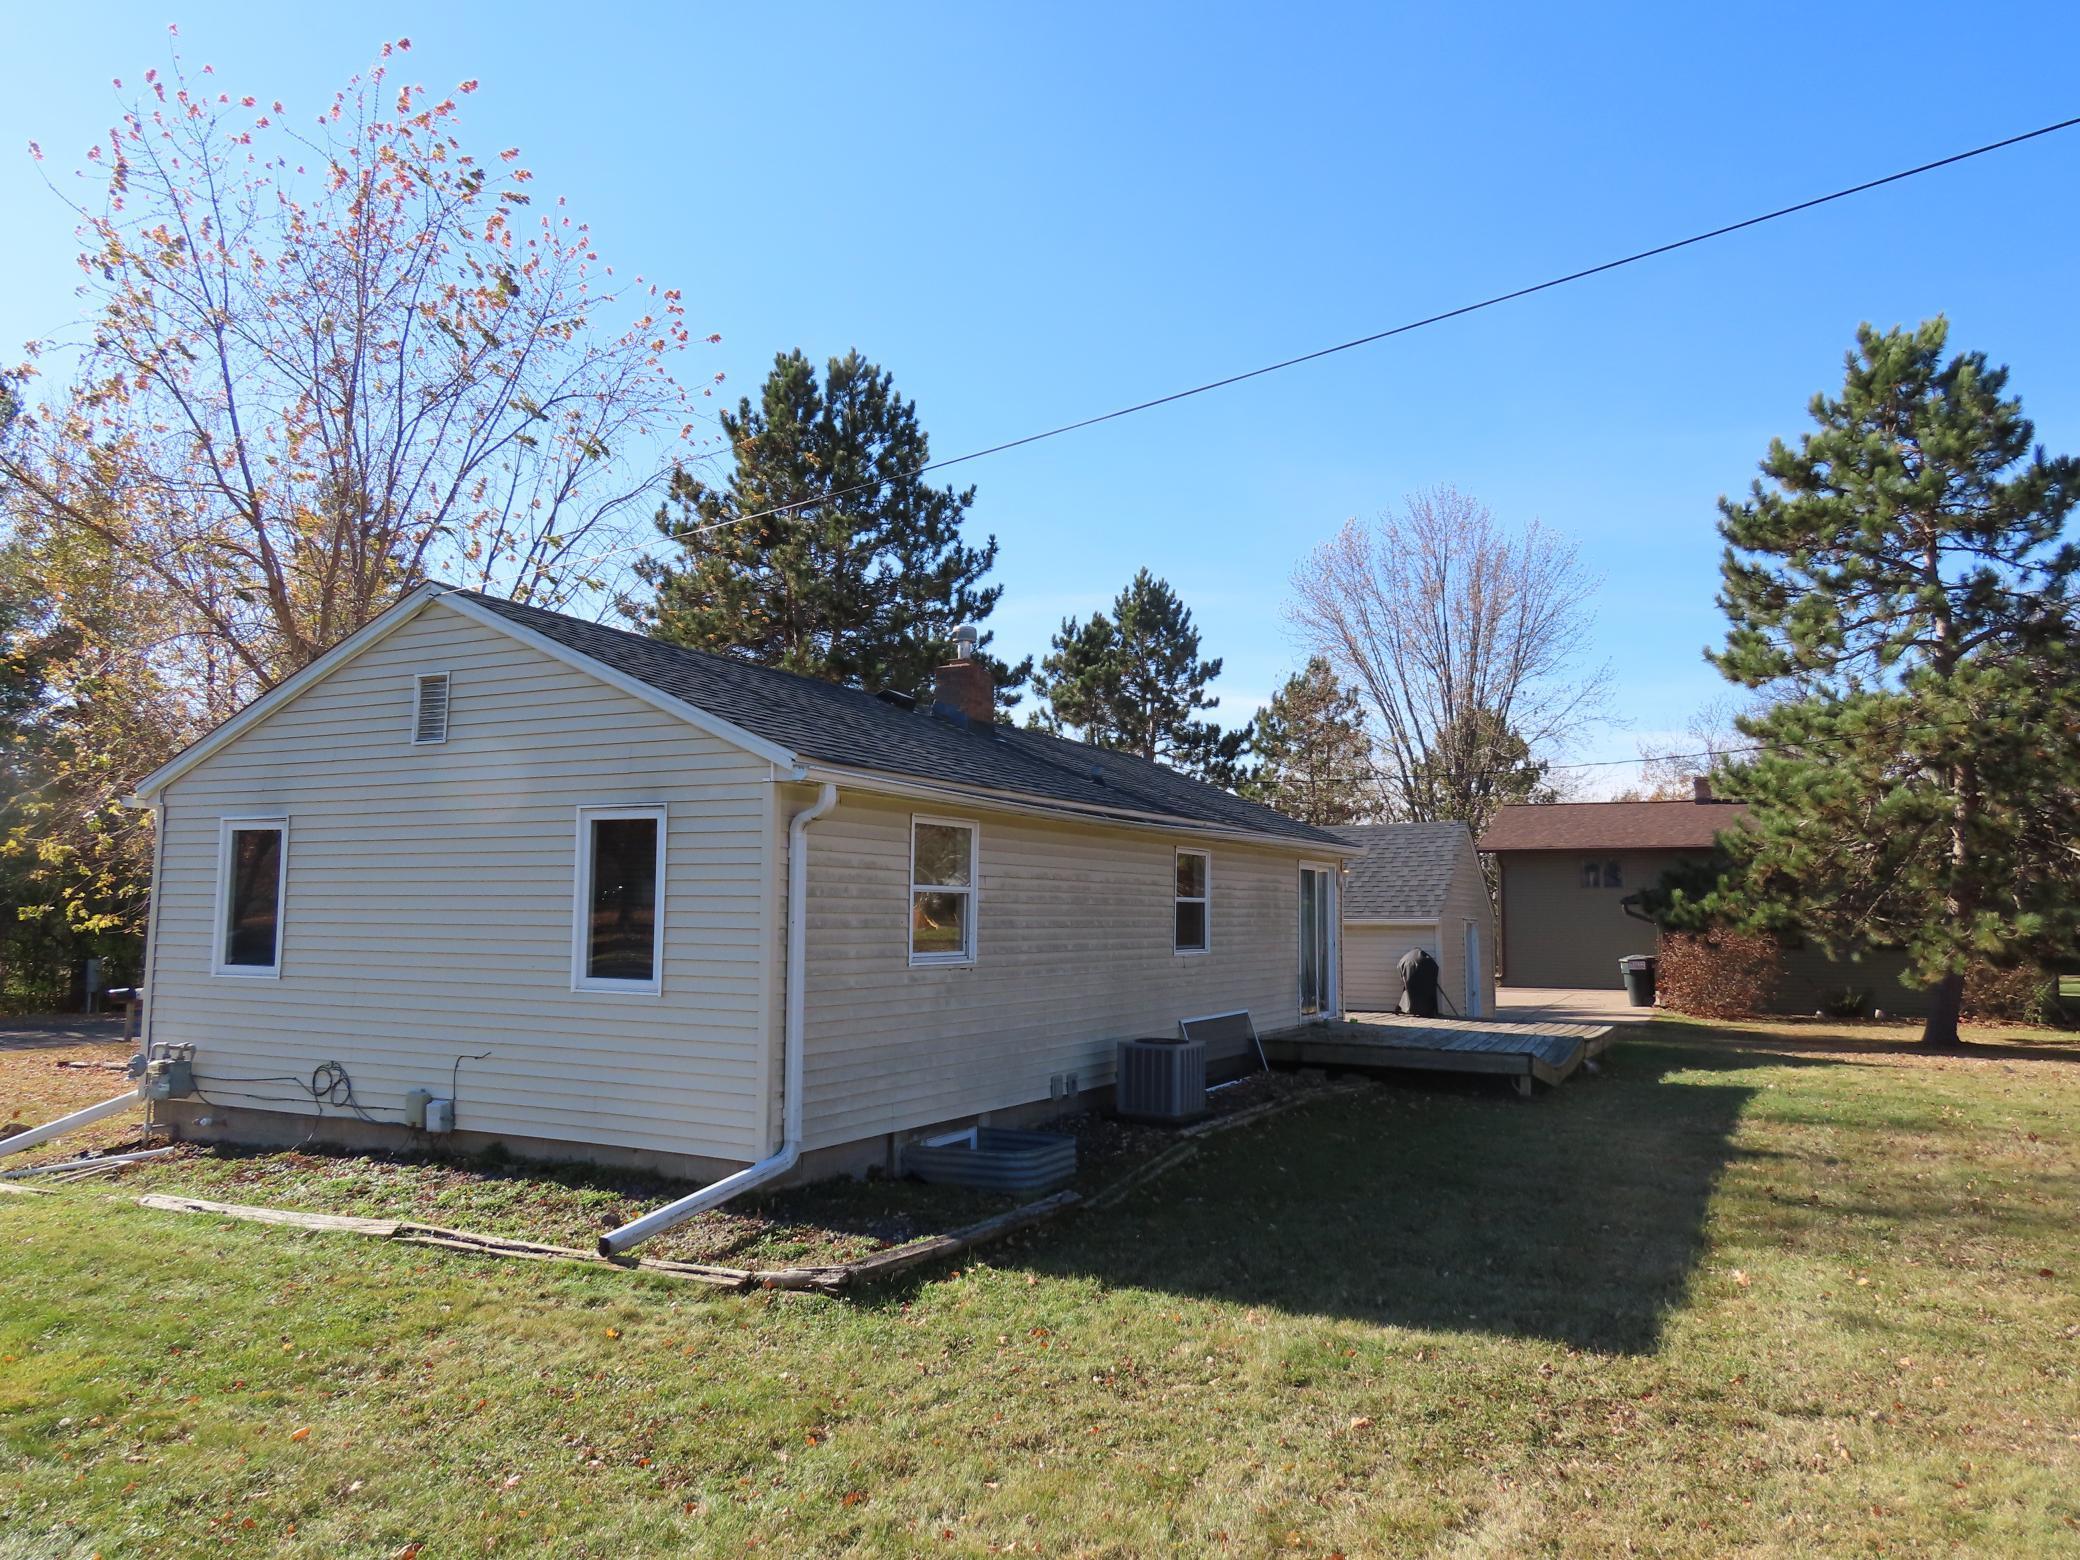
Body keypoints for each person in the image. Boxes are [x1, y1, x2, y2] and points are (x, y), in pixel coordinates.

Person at [1399, 947, 1441, 1018]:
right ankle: (1424, 1010)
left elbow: (1400, 968)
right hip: (1422, 981)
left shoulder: (1406, 959)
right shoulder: (1427, 960)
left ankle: (1411, 1009)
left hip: (1409, 979)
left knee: (1410, 994)